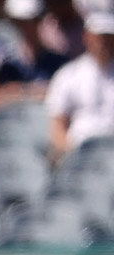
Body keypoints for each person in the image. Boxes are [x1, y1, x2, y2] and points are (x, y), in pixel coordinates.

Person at [46, 11, 114, 161]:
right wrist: (71, 154)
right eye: (99, 37)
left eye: (108, 38)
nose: (103, 43)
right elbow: (58, 125)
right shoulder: (68, 75)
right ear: (87, 36)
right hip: (79, 155)